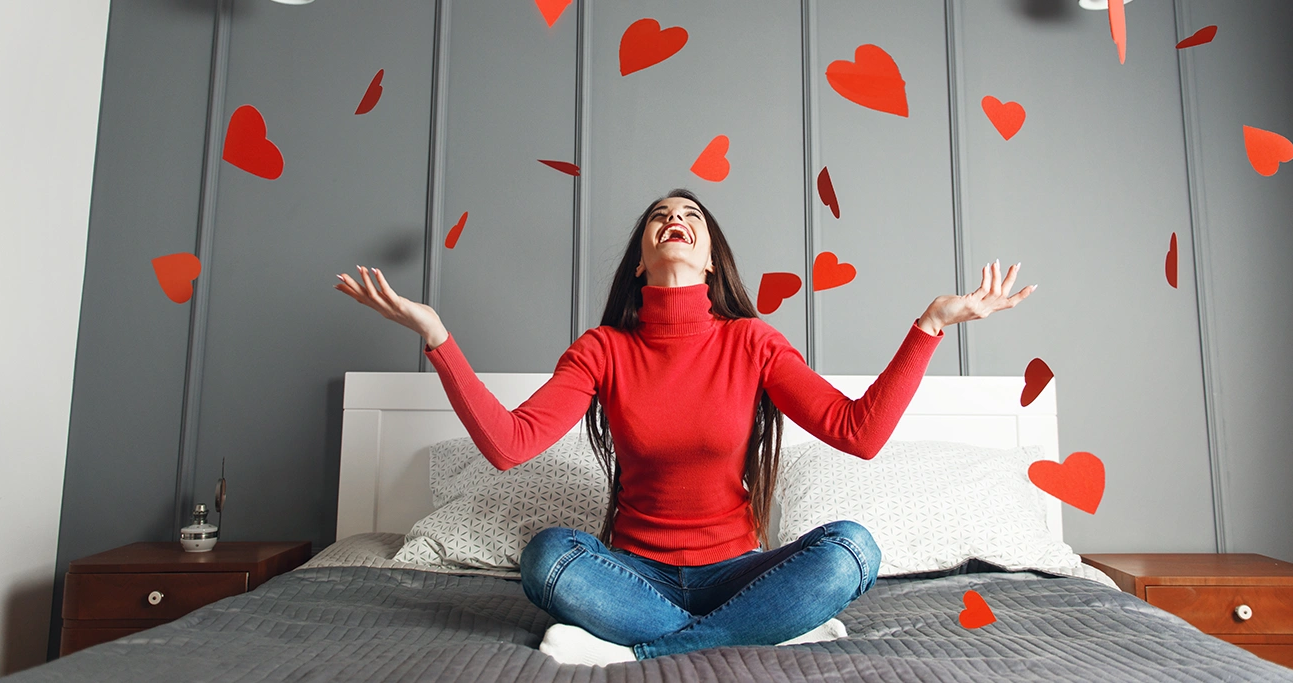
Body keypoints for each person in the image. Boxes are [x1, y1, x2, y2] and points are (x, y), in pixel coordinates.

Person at [334, 189, 1037, 666]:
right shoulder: (602, 349)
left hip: (739, 574)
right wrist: (436, 336)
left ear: (709, 257)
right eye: (660, 216)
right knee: (547, 555)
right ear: (642, 259)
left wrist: (932, 324)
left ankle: (648, 650)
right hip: (631, 575)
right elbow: (508, 444)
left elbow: (858, 432)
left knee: (852, 549)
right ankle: (761, 635)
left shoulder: (753, 343)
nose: (676, 218)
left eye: (691, 216)